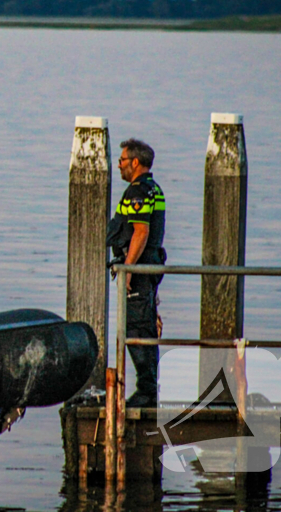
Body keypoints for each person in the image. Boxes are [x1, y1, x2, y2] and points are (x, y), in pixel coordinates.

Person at [107, 138, 166, 408]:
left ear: (135, 162)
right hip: (149, 270)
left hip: (140, 272)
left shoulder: (138, 191)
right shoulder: (154, 189)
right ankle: (149, 390)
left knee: (136, 328)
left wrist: (128, 270)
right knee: (144, 326)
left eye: (121, 160)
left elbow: (140, 233)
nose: (118, 165)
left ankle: (147, 391)